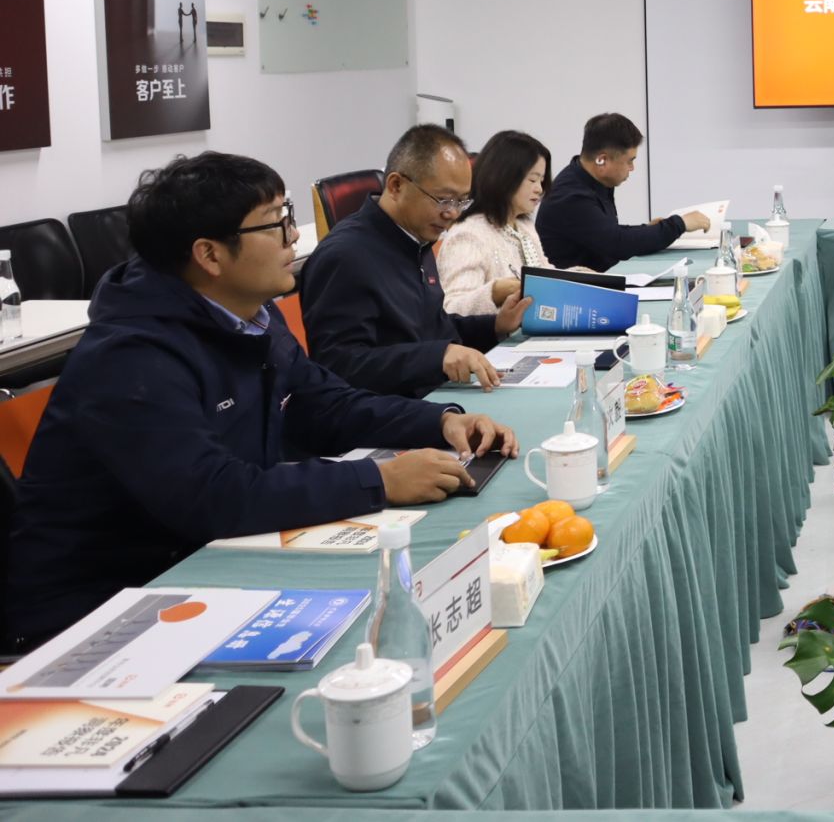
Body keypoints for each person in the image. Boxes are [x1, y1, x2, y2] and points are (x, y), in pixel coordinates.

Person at [3, 153, 517, 651]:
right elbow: (213, 495)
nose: (294, 236)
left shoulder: (252, 317)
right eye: (276, 223)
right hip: (90, 615)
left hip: (200, 565)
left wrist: (439, 421)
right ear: (210, 255)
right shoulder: (131, 357)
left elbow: (326, 404)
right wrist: (379, 480)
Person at [301, 124, 530, 397]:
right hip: (389, 411)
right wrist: (437, 357)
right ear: (396, 185)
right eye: (443, 199)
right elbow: (338, 366)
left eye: (461, 201)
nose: (452, 214)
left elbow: (431, 329)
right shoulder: (344, 256)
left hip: (431, 398)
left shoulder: (416, 237)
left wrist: (495, 325)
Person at [535, 112, 706, 272]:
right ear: (602, 160)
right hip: (573, 290)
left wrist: (648, 229)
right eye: (629, 161)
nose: (632, 168)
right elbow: (617, 243)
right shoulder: (570, 196)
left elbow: (606, 233)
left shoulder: (590, 180)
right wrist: (679, 224)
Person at [437, 129, 576, 316]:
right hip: (494, 334)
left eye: (541, 181)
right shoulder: (468, 234)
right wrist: (494, 292)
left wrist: (579, 277)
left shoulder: (523, 226)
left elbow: (544, 273)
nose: (539, 189)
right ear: (504, 176)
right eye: (532, 180)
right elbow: (452, 308)